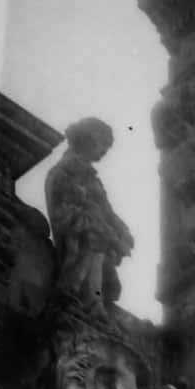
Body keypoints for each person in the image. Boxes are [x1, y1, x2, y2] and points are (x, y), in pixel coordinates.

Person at [45, 117, 135, 307]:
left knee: (99, 243)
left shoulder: (88, 174)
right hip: (76, 226)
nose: (104, 152)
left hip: (89, 227)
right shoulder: (69, 167)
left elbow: (106, 209)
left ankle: (92, 299)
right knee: (95, 239)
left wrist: (122, 229)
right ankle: (89, 299)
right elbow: (75, 206)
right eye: (103, 145)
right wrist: (112, 233)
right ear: (89, 138)